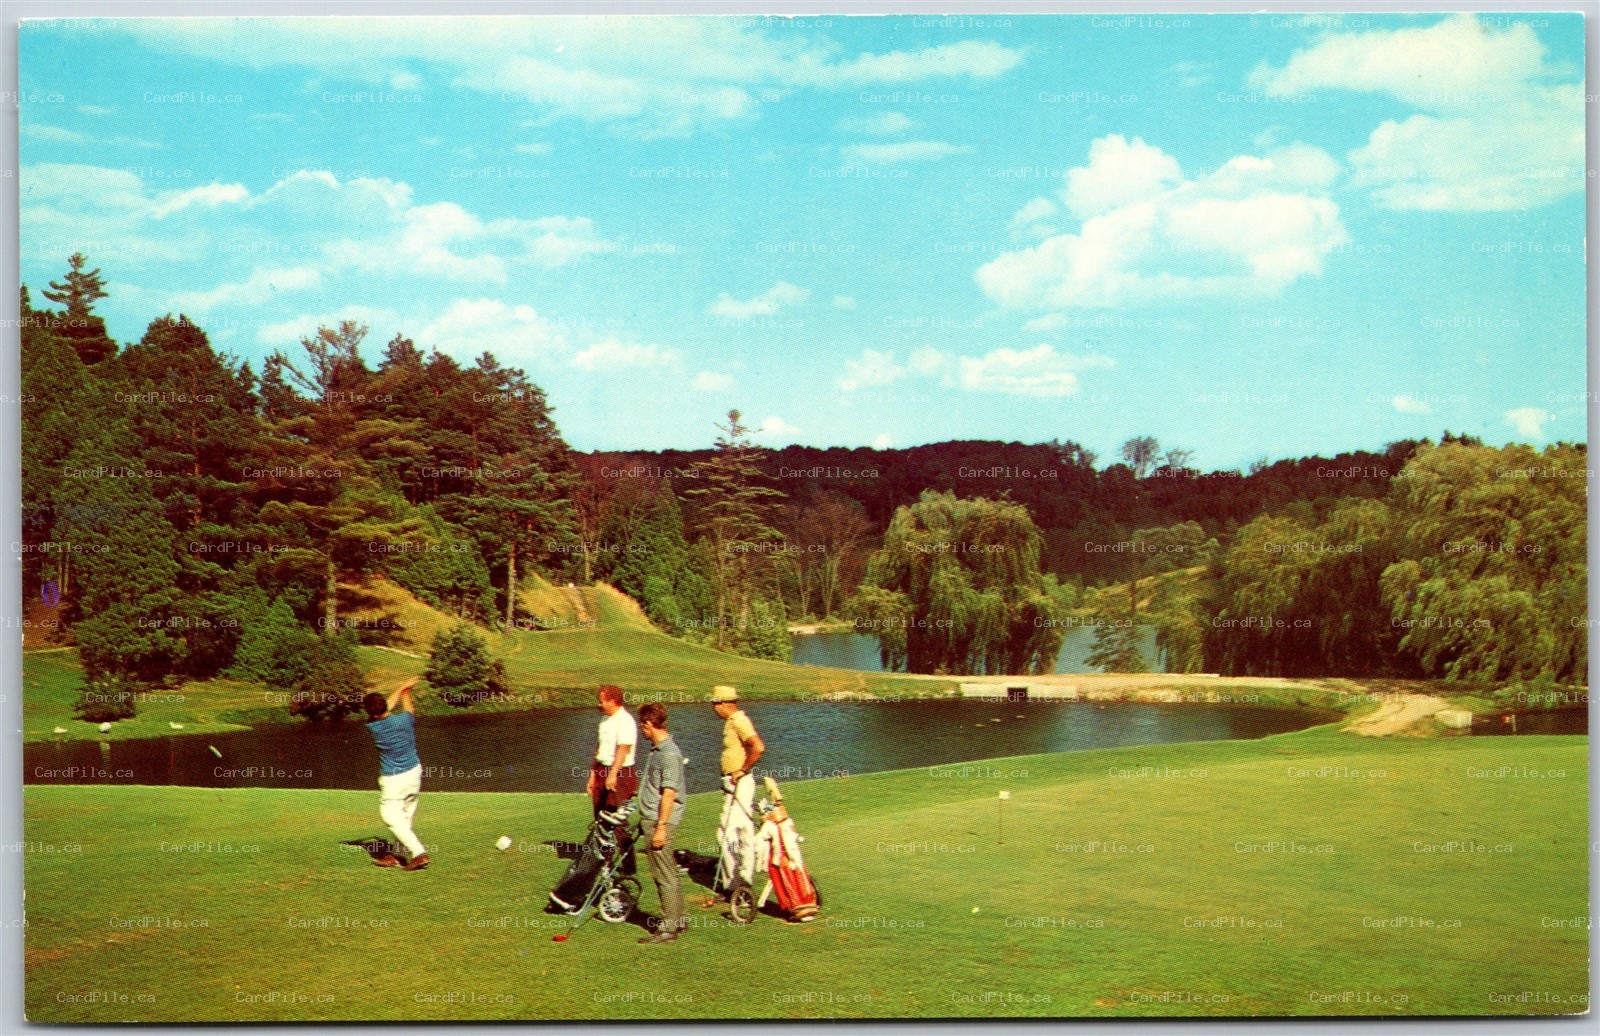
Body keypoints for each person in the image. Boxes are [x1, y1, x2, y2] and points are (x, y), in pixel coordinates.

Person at [362, 677, 430, 871]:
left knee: (391, 817)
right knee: (404, 817)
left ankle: (418, 854)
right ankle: (397, 855)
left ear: (371, 714)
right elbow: (405, 708)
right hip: (414, 772)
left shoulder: (373, 726)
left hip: (394, 779)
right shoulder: (405, 720)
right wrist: (404, 689)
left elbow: (384, 709)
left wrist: (401, 688)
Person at [635, 702, 686, 944]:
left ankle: (668, 929)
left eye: (642, 726)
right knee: (667, 871)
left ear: (649, 724)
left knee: (664, 874)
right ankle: (679, 919)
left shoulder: (669, 754)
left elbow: (668, 793)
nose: (641, 731)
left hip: (659, 822)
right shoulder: (658, 750)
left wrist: (661, 828)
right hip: (652, 819)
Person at [710, 684, 764, 898]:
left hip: (739, 783)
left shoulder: (739, 721)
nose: (714, 708)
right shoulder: (732, 722)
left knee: (731, 832)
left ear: (724, 704)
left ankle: (738, 885)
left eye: (715, 704)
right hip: (733, 783)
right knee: (733, 832)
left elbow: (758, 747)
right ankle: (737, 884)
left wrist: (741, 770)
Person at [587, 685, 638, 818]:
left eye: (601, 701)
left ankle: (621, 840)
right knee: (599, 815)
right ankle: (600, 839)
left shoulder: (625, 720)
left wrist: (613, 774)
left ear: (612, 701)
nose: (598, 705)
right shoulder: (605, 719)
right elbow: (600, 748)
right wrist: (593, 775)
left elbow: (623, 749)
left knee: (614, 817)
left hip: (620, 773)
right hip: (601, 769)